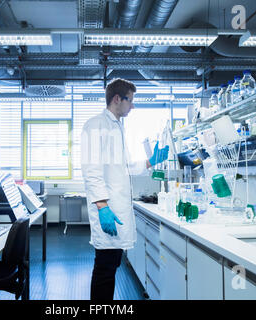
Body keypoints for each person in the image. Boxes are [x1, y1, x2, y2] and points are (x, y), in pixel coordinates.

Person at [81, 78, 169, 300]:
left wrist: (151, 161)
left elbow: (125, 166)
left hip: (116, 208)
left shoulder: (117, 127)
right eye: (131, 100)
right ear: (117, 99)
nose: (133, 106)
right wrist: (102, 207)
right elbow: (91, 169)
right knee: (104, 269)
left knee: (110, 266)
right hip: (108, 208)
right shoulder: (96, 125)